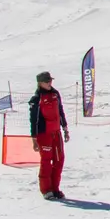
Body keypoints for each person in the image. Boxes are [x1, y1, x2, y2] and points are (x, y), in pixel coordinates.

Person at [29, 72, 69, 200]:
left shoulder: (55, 94)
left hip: (56, 133)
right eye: (47, 81)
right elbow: (33, 120)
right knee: (46, 161)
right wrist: (34, 138)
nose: (49, 83)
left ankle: (55, 188)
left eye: (50, 81)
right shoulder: (36, 98)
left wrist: (65, 128)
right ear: (40, 83)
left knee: (59, 160)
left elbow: (61, 111)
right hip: (44, 134)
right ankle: (46, 190)